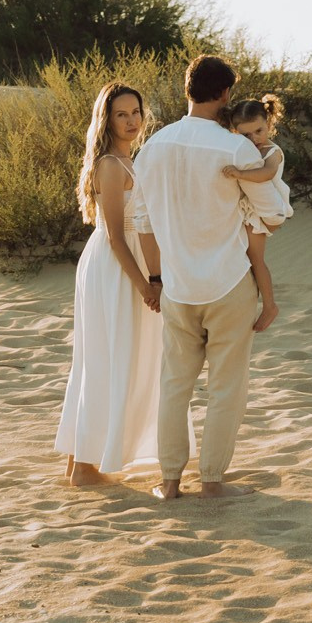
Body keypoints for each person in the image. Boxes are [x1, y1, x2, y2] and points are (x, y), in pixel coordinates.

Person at [131, 55, 271, 500]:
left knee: (175, 386)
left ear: (187, 89)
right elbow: (271, 211)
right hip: (229, 282)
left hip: (177, 285)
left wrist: (156, 277)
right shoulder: (235, 148)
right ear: (226, 93)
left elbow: (143, 222)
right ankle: (212, 481)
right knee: (226, 387)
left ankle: (170, 481)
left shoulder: (152, 148)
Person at [52, 83, 163, 488]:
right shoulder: (111, 165)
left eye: (136, 112)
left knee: (108, 358)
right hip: (116, 266)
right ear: (107, 120)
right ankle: (84, 468)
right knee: (105, 359)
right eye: (122, 114)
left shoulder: (131, 159)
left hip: (127, 262)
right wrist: (146, 285)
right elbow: (116, 236)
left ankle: (79, 462)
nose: (132, 121)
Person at [218, 94, 290, 335]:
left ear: (269, 123)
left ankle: (270, 306)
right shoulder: (244, 150)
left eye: (259, 131)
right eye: (245, 135)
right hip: (250, 209)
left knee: (256, 259)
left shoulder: (272, 151)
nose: (254, 139)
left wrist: (240, 174)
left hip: (263, 212)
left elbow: (266, 174)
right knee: (244, 257)